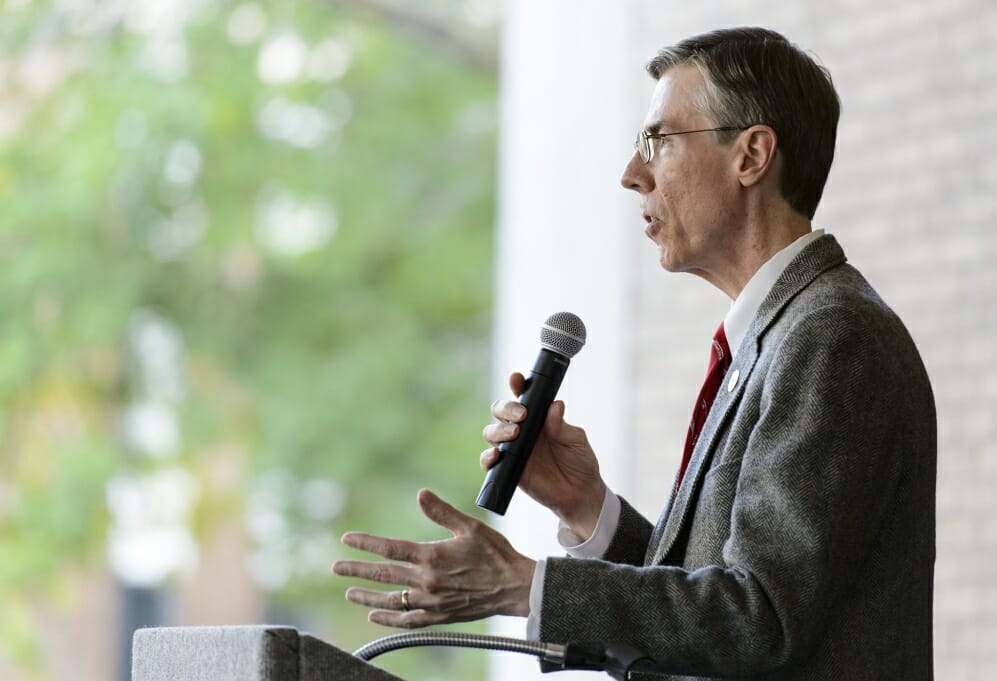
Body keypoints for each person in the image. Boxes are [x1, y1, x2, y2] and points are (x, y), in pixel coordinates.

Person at [332, 26, 936, 680]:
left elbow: (758, 619)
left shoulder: (830, 336)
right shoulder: (780, 336)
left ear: (752, 155)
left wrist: (524, 585)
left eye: (658, 141)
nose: (632, 173)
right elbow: (720, 601)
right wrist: (588, 507)